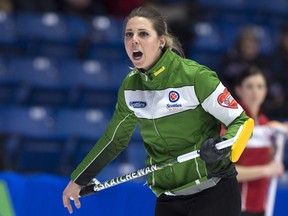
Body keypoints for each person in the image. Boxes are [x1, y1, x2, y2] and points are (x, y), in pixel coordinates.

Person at [62, 6, 250, 216]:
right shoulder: (131, 88)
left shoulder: (196, 76)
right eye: (128, 34)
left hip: (214, 190)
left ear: (161, 40)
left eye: (143, 34)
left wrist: (223, 148)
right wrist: (79, 180)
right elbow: (114, 140)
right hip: (169, 198)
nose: (134, 40)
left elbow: (241, 122)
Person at [232, 66, 286, 216]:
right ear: (239, 90)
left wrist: (278, 138)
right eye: (249, 86)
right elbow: (224, 171)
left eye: (260, 86)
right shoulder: (232, 122)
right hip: (236, 207)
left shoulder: (264, 123)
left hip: (260, 206)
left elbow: (269, 160)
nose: (255, 92)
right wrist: (267, 170)